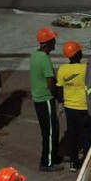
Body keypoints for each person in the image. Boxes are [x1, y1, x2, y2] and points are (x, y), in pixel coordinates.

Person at [29, 27, 63, 172]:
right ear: (49, 43)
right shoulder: (45, 60)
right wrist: (59, 97)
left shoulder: (34, 55)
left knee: (50, 129)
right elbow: (51, 84)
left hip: (38, 98)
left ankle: (52, 156)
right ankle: (47, 162)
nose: (56, 42)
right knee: (50, 131)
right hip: (46, 99)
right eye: (53, 40)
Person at [56, 40, 91, 170]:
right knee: (87, 134)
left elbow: (59, 88)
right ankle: (86, 159)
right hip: (83, 107)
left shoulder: (62, 69)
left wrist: (61, 103)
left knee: (72, 135)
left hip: (69, 108)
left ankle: (74, 162)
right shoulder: (85, 69)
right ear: (77, 54)